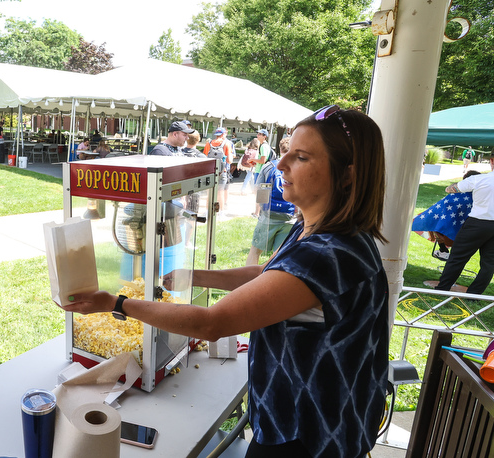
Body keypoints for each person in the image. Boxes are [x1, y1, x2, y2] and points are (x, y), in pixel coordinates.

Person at [62, 106, 389, 458]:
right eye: (286, 152)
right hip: (324, 417)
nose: (281, 165)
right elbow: (271, 276)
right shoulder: (325, 232)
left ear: (347, 176)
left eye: (302, 157)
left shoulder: (328, 255)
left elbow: (211, 323)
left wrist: (116, 304)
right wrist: (197, 276)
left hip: (307, 434)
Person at [435, 169, 494, 295]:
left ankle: (442, 289)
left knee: (457, 257)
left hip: (477, 222)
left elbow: (451, 189)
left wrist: (450, 187)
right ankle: (474, 294)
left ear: (492, 161)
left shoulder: (478, 179)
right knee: (489, 263)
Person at [246, 136, 296, 265]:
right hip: (290, 217)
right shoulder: (298, 168)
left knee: (255, 251)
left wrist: (262, 209)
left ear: (279, 149)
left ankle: (250, 281)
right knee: (280, 255)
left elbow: (259, 191)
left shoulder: (269, 166)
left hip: (269, 215)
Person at [203, 127, 235, 215]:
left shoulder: (209, 143)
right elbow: (229, 161)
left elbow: (205, 157)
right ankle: (220, 212)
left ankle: (207, 211)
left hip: (210, 171)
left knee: (210, 192)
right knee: (220, 192)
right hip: (222, 171)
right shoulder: (226, 143)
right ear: (223, 134)